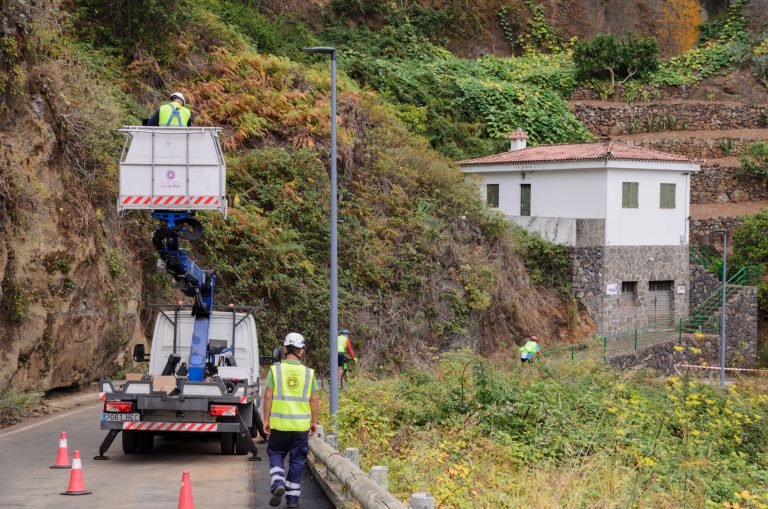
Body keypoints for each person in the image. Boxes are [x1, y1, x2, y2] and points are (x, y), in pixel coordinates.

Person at [262, 332, 318, 509]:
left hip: (279, 425)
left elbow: (268, 396)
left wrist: (266, 419)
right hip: (300, 427)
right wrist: (313, 422)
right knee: (297, 461)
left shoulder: (275, 370)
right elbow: (314, 400)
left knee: (276, 453)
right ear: (301, 351)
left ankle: (278, 481)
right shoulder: (309, 374)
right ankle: (292, 501)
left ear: (285, 349)